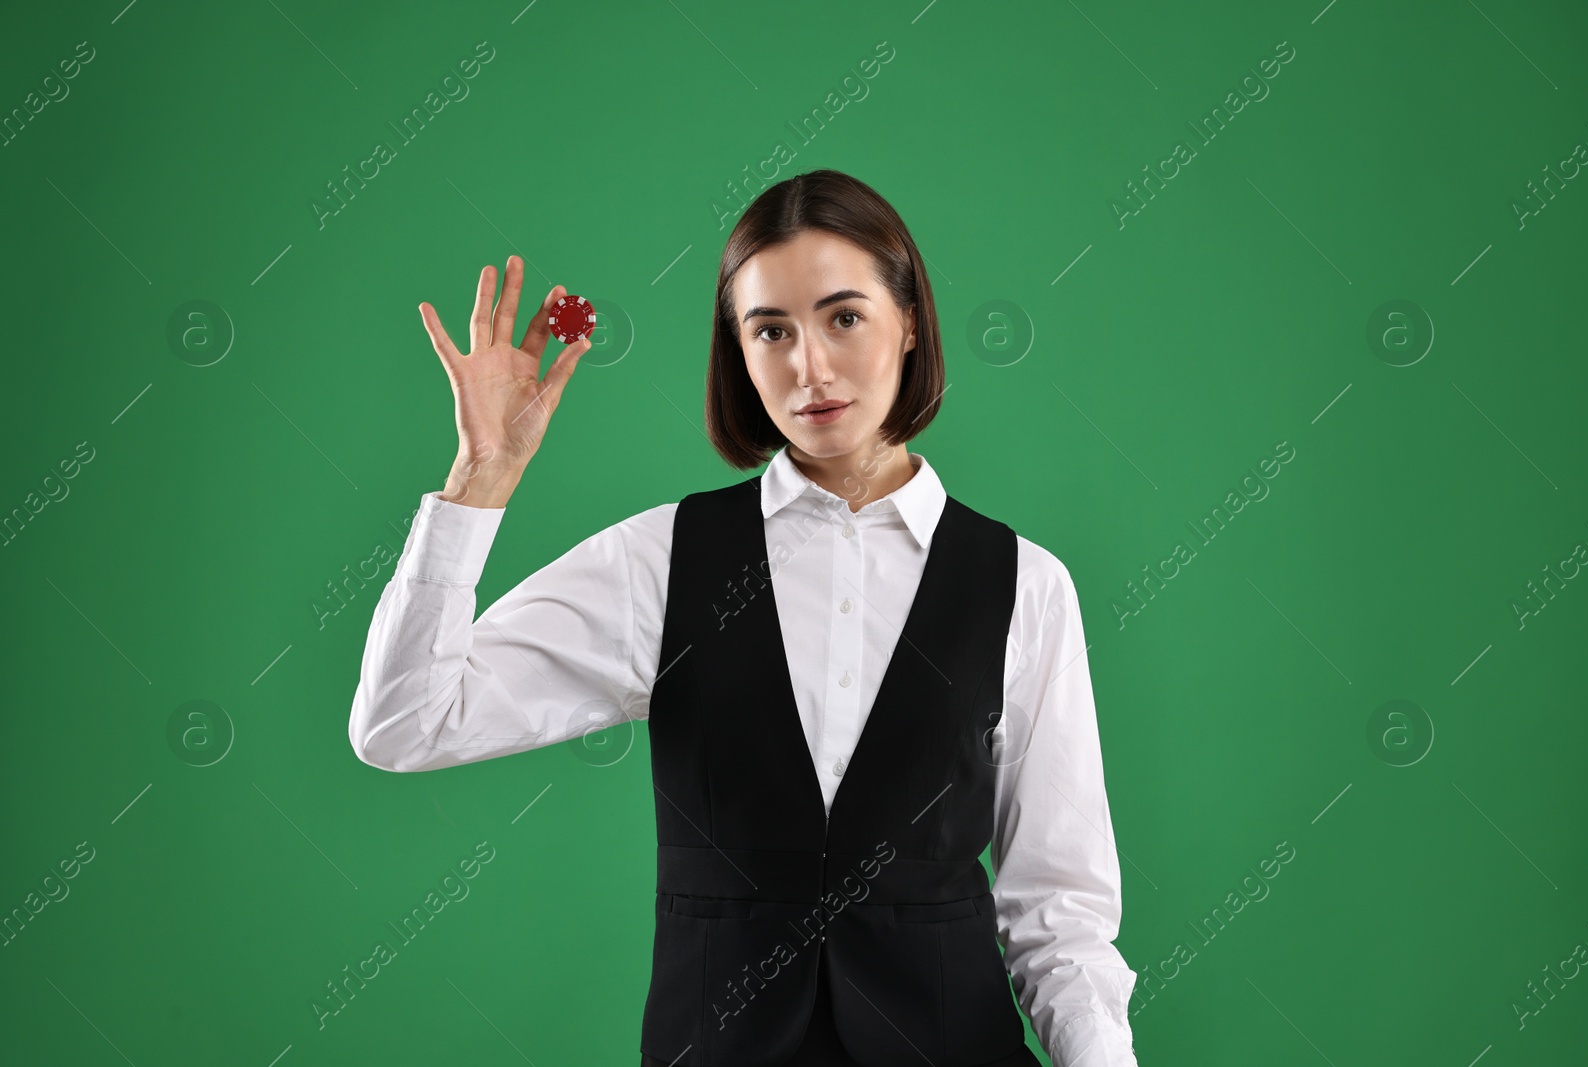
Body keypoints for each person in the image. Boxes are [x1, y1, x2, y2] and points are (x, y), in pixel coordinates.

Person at [348, 169, 1139, 1067]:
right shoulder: (662, 561)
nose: (810, 367)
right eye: (772, 330)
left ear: (910, 320)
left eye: (845, 316)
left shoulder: (1025, 585)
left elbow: (1060, 918)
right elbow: (403, 723)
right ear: (739, 350)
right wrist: (478, 482)